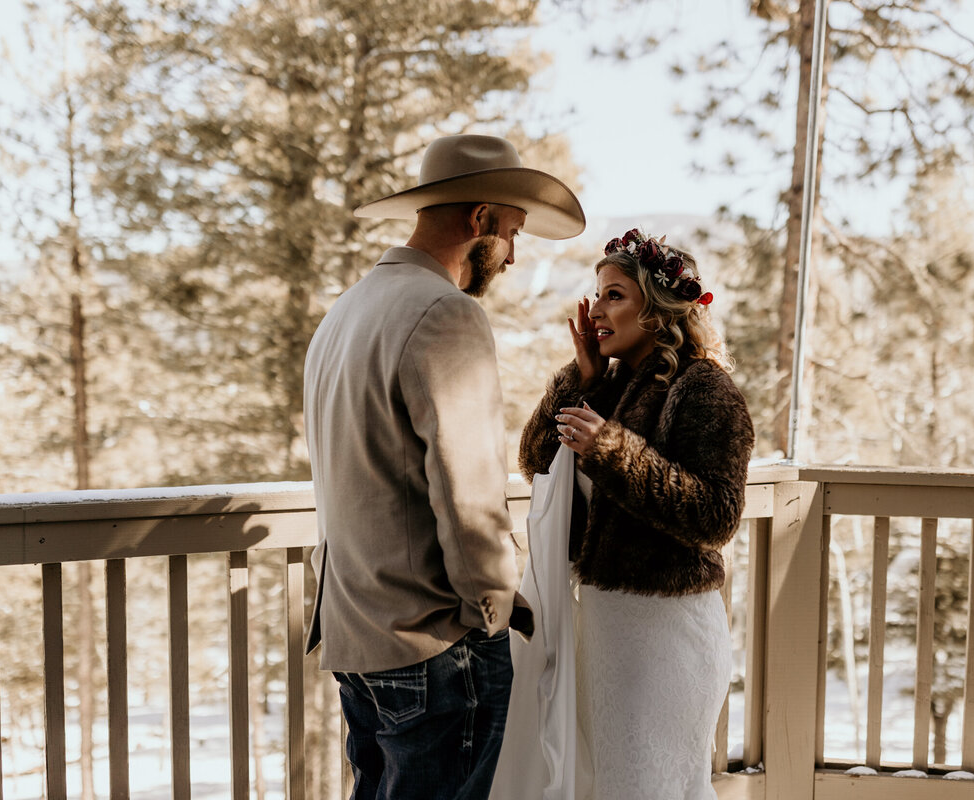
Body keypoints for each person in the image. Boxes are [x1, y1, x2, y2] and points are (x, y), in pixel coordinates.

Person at [303, 133, 585, 800]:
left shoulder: (347, 310)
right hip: (429, 641)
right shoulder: (445, 313)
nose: (513, 257)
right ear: (480, 221)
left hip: (355, 629)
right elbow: (469, 493)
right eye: (512, 233)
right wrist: (491, 608)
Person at [518, 228, 755, 800]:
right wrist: (581, 379)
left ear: (657, 309)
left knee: (648, 786)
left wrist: (612, 451)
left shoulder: (705, 389)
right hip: (603, 627)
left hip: (665, 634)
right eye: (597, 293)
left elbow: (715, 516)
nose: (595, 309)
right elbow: (535, 462)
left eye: (614, 295)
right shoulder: (611, 384)